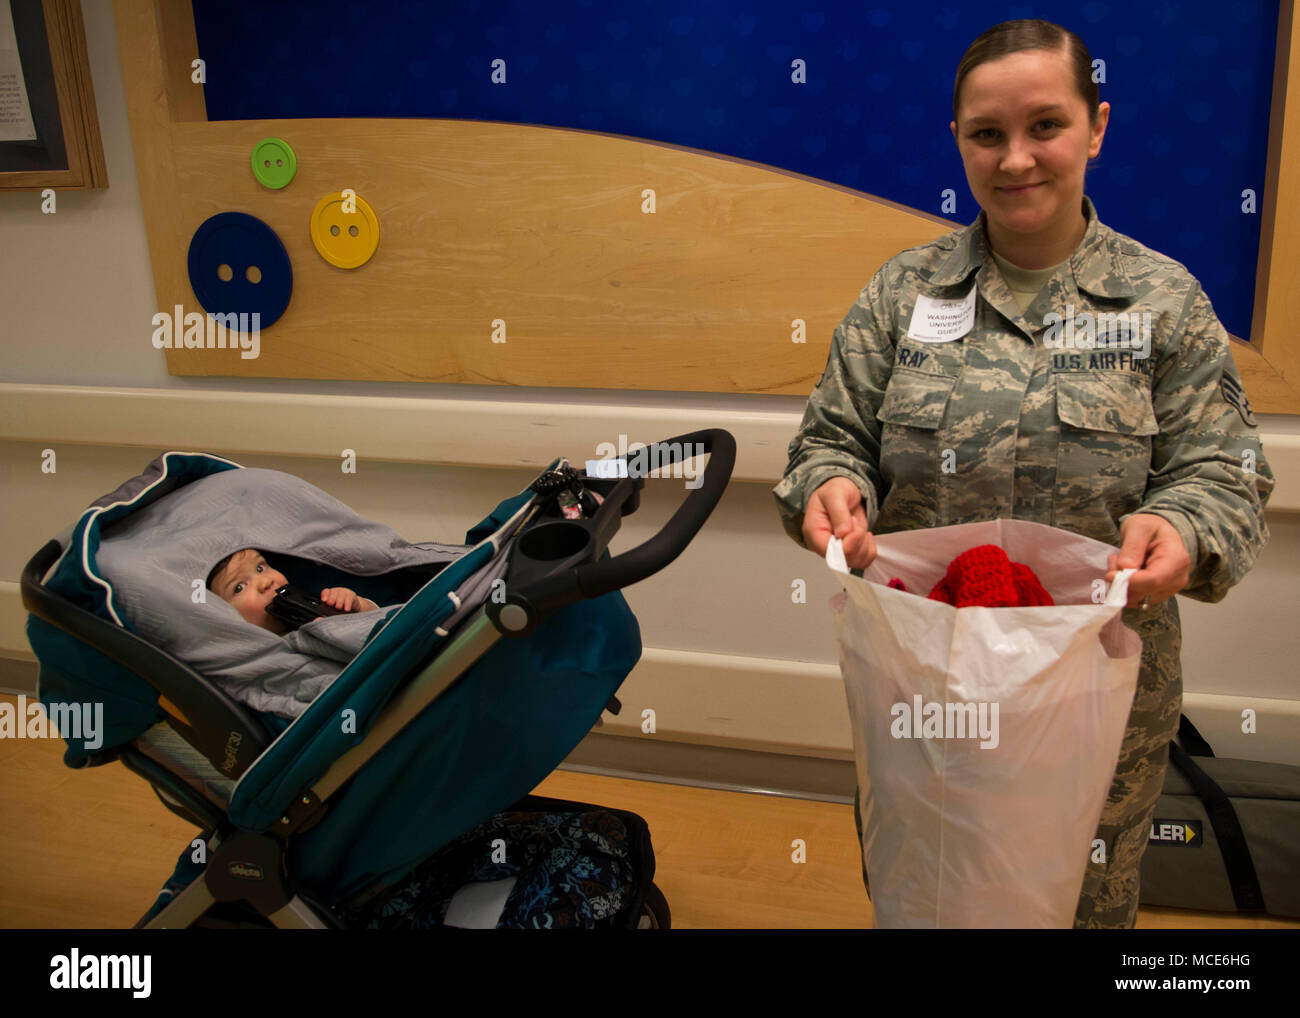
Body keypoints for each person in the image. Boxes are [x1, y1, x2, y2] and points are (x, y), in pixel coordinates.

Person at [773, 18, 1274, 928]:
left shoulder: (1163, 300)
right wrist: (828, 489)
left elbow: (1224, 469)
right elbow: (829, 441)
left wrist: (1187, 528)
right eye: (987, 134)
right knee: (924, 887)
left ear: (1098, 127)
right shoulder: (903, 294)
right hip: (926, 694)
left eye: (1046, 125)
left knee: (1077, 907)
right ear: (957, 139)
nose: (1015, 160)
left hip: (1091, 705)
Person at [206, 548, 378, 635]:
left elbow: (381, 620)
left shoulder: (321, 604)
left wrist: (357, 605)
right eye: (239, 587)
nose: (265, 581)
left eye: (260, 568)